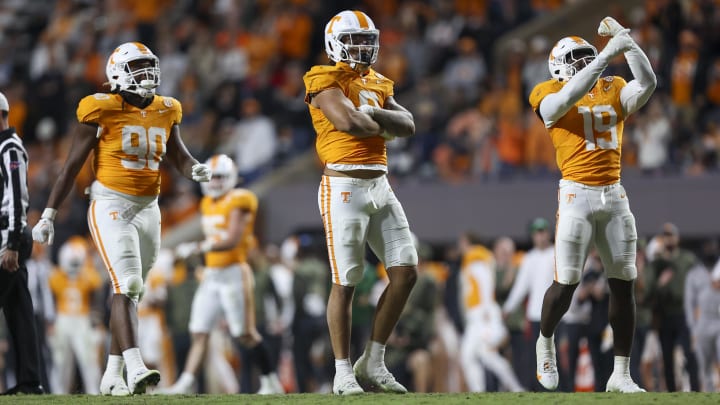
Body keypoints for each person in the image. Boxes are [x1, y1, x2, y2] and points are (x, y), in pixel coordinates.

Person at [30, 42, 212, 396]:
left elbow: (180, 157)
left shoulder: (166, 108)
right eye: (138, 67)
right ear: (117, 74)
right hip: (110, 202)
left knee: (130, 292)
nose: (147, 74)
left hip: (150, 207)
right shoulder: (101, 108)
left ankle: (111, 375)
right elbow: (71, 167)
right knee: (127, 283)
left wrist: (197, 170)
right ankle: (135, 365)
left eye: (149, 66)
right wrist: (49, 214)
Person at [529, 17, 656, 393]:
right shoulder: (546, 91)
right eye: (578, 59)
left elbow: (648, 84)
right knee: (567, 282)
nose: (586, 63)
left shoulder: (612, 85)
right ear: (558, 67)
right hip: (575, 194)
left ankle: (620, 373)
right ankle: (546, 340)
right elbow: (563, 102)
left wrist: (626, 43)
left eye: (589, 56)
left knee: (623, 284)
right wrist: (605, 55)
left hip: (614, 193)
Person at [302, 10, 417, 395]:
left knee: (406, 271)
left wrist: (373, 115)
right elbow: (348, 123)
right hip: (343, 186)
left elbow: (410, 125)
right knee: (346, 280)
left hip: (380, 184)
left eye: (368, 40)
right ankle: (342, 370)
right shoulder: (323, 78)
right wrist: (381, 121)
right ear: (335, 43)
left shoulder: (379, 81)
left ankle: (374, 359)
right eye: (355, 40)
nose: (363, 48)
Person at [160, 154, 283, 395]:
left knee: (245, 335)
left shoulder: (241, 199)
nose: (215, 182)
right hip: (212, 275)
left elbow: (232, 239)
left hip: (234, 274)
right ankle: (186, 383)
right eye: (212, 177)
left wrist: (198, 247)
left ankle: (271, 380)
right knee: (198, 330)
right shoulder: (207, 203)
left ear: (231, 178)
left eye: (220, 177)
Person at [0, 91, 44, 395]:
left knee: (19, 308)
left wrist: (12, 242)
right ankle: (30, 382)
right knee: (19, 309)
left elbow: (17, 198)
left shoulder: (9, 148)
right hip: (9, 235)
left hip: (7, 235)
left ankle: (30, 381)